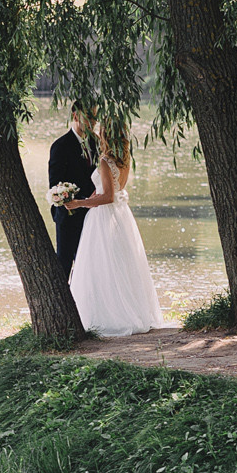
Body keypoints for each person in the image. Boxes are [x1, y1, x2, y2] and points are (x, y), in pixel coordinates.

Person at [62, 118, 166, 336]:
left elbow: (108, 196)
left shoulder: (105, 161)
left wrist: (80, 203)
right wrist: (90, 197)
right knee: (121, 264)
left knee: (101, 265)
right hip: (121, 216)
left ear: (106, 134)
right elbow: (112, 190)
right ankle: (128, 309)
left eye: (101, 131)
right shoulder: (124, 159)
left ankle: (107, 315)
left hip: (104, 217)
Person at [49, 106, 98, 273]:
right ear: (76, 115)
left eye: (95, 117)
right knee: (64, 264)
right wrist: (80, 201)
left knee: (89, 266)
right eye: (90, 117)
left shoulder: (98, 143)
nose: (94, 122)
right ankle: (63, 299)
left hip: (94, 215)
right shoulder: (61, 146)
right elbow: (55, 185)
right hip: (69, 216)